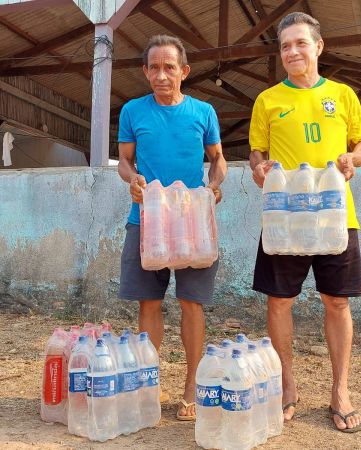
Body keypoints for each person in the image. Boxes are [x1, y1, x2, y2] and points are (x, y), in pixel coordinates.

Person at [249, 12, 361, 432]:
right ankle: (287, 385)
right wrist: (259, 169)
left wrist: (352, 159)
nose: (293, 52)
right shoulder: (268, 100)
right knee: (279, 301)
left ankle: (340, 391)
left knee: (337, 301)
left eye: (301, 43)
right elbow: (256, 155)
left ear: (318, 47)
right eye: (285, 46)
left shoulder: (343, 94)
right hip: (285, 217)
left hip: (336, 215)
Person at [117, 34, 227, 421]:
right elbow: (124, 161)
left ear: (184, 71)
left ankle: (192, 388)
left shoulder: (203, 112)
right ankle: (149, 386)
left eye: (169, 67)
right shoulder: (133, 111)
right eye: (154, 68)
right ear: (145, 71)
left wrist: (214, 186)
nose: (162, 75)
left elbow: (217, 159)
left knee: (191, 303)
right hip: (148, 220)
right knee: (149, 302)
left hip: (192, 220)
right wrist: (132, 180)